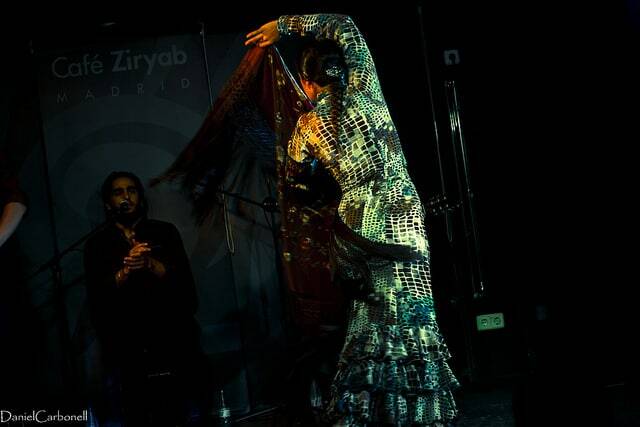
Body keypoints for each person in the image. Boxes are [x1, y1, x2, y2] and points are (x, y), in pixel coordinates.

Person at [246, 15, 460, 426]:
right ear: (344, 70)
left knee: (368, 321)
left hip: (355, 228)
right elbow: (345, 24)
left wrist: (325, 179)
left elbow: (296, 181)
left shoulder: (306, 125)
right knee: (412, 315)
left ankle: (369, 413)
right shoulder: (366, 91)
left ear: (307, 83)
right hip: (399, 218)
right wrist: (284, 26)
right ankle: (414, 414)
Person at [83, 171, 211, 427]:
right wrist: (126, 270)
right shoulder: (97, 244)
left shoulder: (164, 232)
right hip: (125, 340)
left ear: (140, 197)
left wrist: (150, 263)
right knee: (135, 410)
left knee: (176, 410)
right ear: (108, 203)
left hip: (168, 333)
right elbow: (98, 299)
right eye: (118, 192)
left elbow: (185, 288)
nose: (126, 197)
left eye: (131, 190)